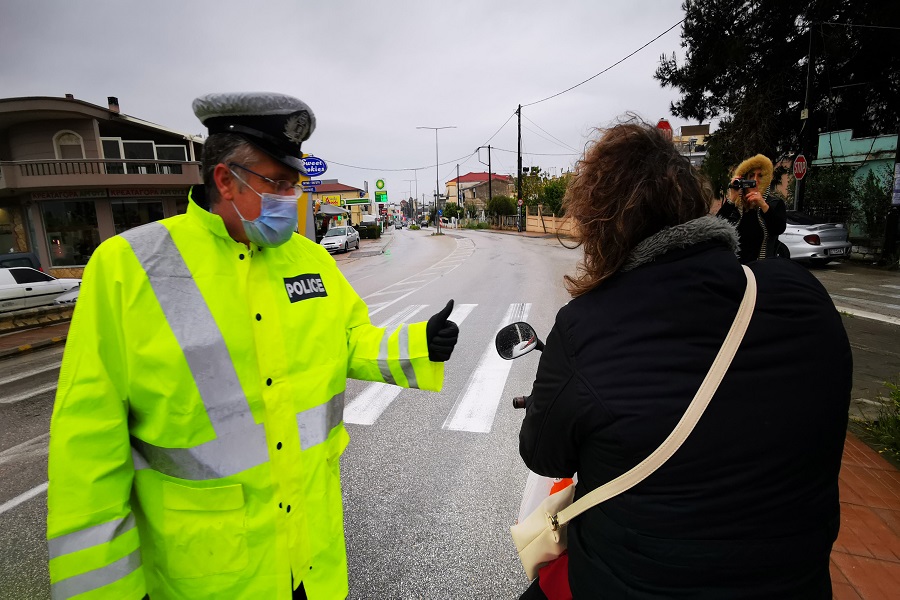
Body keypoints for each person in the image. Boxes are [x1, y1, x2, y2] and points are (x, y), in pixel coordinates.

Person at [46, 92, 459, 600]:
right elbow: (87, 450)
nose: (292, 198)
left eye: (295, 184)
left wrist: (421, 343)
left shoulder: (309, 260)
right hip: (206, 574)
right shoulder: (128, 268)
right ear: (225, 179)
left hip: (310, 560)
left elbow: (347, 339)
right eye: (278, 184)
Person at [518, 119, 851, 599]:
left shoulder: (584, 327)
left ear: (601, 226)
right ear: (693, 202)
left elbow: (543, 454)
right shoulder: (805, 297)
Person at [715, 154, 787, 263]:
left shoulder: (774, 203)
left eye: (760, 176)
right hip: (736, 268)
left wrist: (763, 205)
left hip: (762, 268)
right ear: (744, 179)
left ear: (766, 179)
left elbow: (779, 229)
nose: (755, 180)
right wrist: (732, 198)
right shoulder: (736, 205)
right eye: (751, 176)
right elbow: (716, 227)